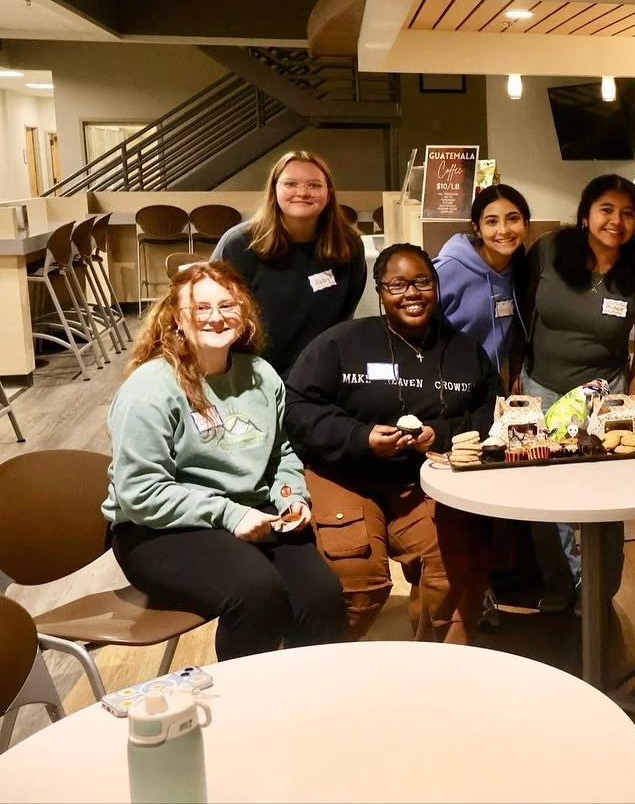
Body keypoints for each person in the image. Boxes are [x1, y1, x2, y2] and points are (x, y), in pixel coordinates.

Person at [103, 261, 345, 661]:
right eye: (200, 308)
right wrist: (229, 514)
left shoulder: (261, 376)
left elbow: (282, 452)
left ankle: (305, 703)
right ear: (176, 318)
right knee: (257, 594)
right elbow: (138, 494)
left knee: (322, 596)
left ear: (244, 314)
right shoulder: (149, 390)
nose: (215, 318)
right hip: (157, 528)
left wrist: (290, 497)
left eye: (227, 306)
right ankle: (243, 710)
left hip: (254, 512)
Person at [284, 243, 500, 643]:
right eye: (397, 284)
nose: (411, 293)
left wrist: (442, 433)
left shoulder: (465, 352)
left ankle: (436, 673)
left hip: (423, 481)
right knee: (356, 577)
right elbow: (298, 410)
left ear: (436, 285)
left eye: (421, 281)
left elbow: (491, 412)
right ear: (380, 292)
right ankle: (310, 670)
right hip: (344, 475)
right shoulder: (340, 344)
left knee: (454, 570)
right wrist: (361, 437)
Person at [513, 174, 635, 613]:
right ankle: (559, 582)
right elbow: (521, 314)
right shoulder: (550, 251)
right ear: (585, 215)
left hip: (605, 394)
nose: (616, 221)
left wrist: (628, 403)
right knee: (543, 498)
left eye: (628, 213)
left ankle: (598, 591)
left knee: (606, 499)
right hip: (542, 387)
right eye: (607, 210)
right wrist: (514, 379)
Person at [212, 150, 366, 377]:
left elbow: (344, 317)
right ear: (274, 190)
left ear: (329, 192)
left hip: (318, 377)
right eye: (290, 184)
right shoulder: (239, 245)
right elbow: (214, 318)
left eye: (314, 185)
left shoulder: (349, 245)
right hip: (250, 376)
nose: (302, 193)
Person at [433, 184, 531, 377]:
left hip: (489, 387)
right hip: (445, 385)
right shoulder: (448, 269)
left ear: (526, 223)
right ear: (477, 229)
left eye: (513, 219)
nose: (503, 230)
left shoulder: (521, 270)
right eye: (492, 222)